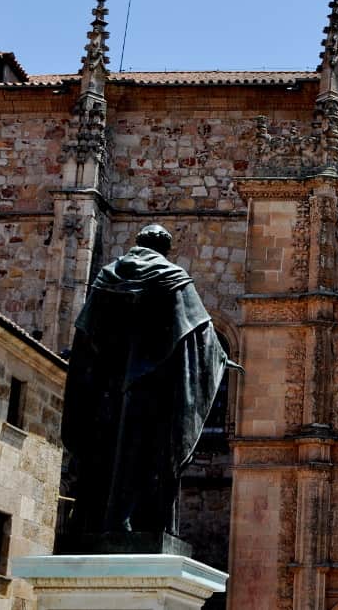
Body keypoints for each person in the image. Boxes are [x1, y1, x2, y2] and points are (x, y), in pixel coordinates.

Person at [62, 224, 236, 537]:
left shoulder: (106, 278)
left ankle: (93, 522)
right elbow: (201, 333)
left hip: (107, 389)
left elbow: (84, 333)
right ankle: (132, 522)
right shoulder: (172, 278)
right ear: (166, 249)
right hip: (151, 387)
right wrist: (221, 360)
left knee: (103, 453)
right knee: (146, 454)